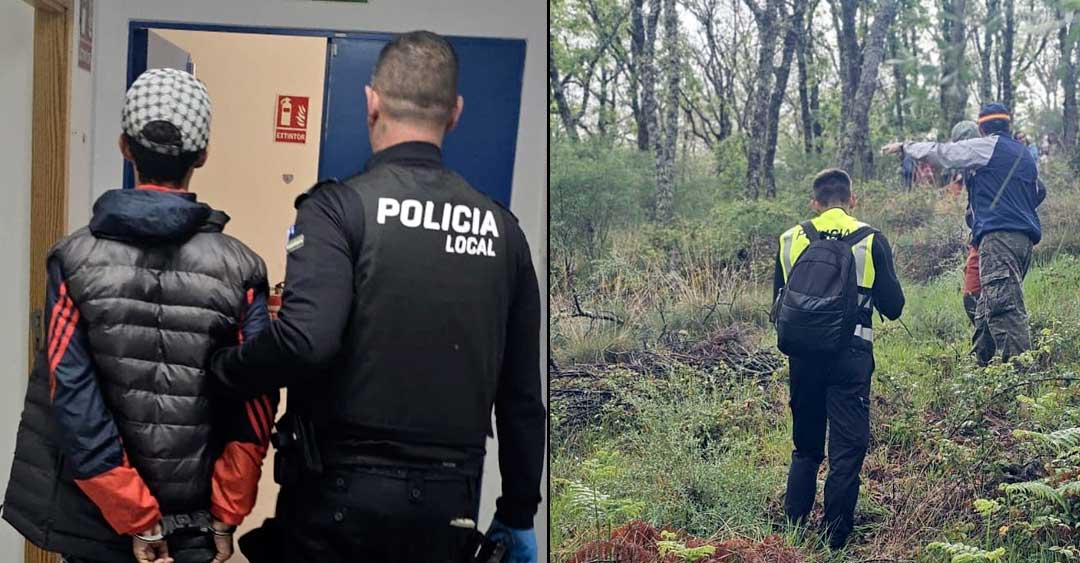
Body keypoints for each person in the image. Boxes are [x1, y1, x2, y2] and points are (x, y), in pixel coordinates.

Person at [208, 31, 545, 563]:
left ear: (372, 103)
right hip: (447, 510)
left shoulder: (336, 211)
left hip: (335, 505)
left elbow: (305, 341)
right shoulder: (505, 233)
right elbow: (523, 397)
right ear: (453, 113)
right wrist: (519, 511)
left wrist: (224, 370)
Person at [3, 68, 276, 563]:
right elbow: (253, 404)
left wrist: (137, 517)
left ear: (124, 146)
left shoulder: (73, 259)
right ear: (203, 155)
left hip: (96, 522)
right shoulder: (243, 268)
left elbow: (73, 397)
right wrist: (227, 512)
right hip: (192, 523)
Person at [773, 169, 905, 549]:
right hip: (852, 355)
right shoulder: (871, 239)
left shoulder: (789, 239)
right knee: (847, 451)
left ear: (814, 203)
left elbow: (778, 304)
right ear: (853, 200)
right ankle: (834, 543)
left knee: (806, 446)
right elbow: (893, 307)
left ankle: (793, 534)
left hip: (803, 356)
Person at [883, 103, 1043, 364]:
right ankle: (980, 375)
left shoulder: (986, 146)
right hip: (1023, 241)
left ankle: (1023, 386)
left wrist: (905, 147)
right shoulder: (1023, 153)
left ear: (982, 128)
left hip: (999, 239)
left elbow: (944, 154)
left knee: (1004, 311)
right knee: (986, 311)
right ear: (1008, 124)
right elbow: (1039, 191)